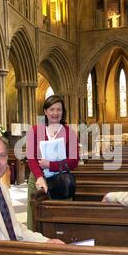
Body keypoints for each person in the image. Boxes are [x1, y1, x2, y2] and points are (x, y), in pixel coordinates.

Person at [26, 95, 79, 229]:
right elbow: (31, 157)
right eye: (51, 109)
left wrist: (51, 165)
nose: (55, 113)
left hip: (61, 180)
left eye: (59, 109)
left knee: (61, 217)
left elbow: (74, 161)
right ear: (45, 111)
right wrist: (39, 176)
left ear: (63, 111)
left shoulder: (70, 133)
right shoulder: (35, 130)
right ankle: (36, 245)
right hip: (38, 179)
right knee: (36, 217)